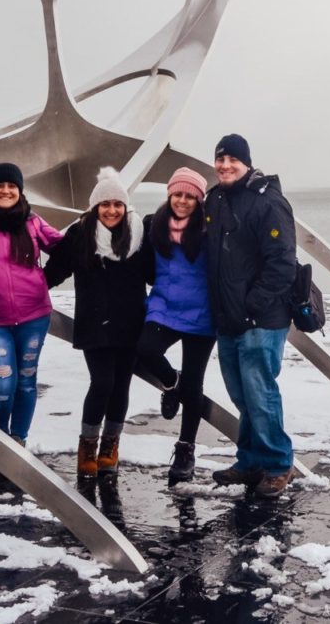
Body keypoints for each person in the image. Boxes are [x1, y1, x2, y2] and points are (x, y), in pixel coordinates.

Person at [203, 134, 298, 497]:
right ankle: (249, 461)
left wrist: (251, 305)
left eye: (232, 160)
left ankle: (276, 464)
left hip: (261, 319)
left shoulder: (268, 202)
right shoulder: (216, 198)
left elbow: (282, 263)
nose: (225, 166)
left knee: (261, 393)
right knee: (242, 395)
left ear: (247, 162)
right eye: (220, 159)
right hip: (228, 318)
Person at [44, 167, 149, 485]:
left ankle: (110, 449)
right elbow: (54, 271)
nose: (112, 210)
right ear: (95, 207)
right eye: (105, 204)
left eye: (118, 204)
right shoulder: (80, 235)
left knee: (121, 387)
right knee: (102, 382)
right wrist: (22, 293)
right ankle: (87, 449)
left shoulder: (138, 235)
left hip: (131, 323)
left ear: (125, 207)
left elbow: (159, 274)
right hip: (95, 325)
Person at [0, 161, 62, 450]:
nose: (6, 191)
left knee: (25, 381)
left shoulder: (32, 221)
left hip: (34, 315)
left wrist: (46, 280)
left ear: (20, 191)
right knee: (2, 384)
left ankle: (18, 440)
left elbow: (66, 248)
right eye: (0, 185)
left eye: (12, 186)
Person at [135, 166, 215, 485]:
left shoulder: (210, 230)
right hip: (165, 308)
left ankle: (185, 451)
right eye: (177, 194)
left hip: (203, 314)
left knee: (194, 384)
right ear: (169, 195)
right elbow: (138, 265)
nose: (182, 201)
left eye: (190, 196)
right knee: (143, 350)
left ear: (199, 200)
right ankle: (170, 382)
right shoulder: (152, 225)